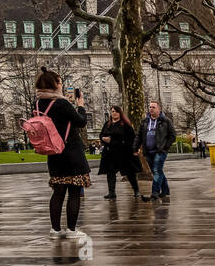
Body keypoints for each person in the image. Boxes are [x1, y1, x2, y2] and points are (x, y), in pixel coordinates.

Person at [33, 69, 91, 240]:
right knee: (74, 191)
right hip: (71, 151)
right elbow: (81, 122)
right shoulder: (62, 104)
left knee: (58, 192)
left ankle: (55, 229)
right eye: (59, 82)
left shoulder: (38, 104)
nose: (62, 85)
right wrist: (80, 106)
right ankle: (72, 230)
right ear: (54, 85)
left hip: (53, 152)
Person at [135, 100, 176, 202]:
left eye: (153, 107)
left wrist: (165, 147)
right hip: (148, 151)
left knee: (157, 170)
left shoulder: (166, 121)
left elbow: (172, 135)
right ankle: (165, 190)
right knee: (157, 171)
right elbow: (139, 136)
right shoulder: (145, 121)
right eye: (150, 107)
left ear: (159, 109)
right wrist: (135, 147)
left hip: (160, 151)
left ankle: (154, 192)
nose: (151, 109)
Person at [98, 105, 139, 199]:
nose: (114, 113)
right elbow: (101, 135)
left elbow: (131, 138)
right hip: (109, 153)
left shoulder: (125, 125)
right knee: (110, 172)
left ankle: (136, 190)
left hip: (122, 153)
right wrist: (104, 139)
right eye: (112, 111)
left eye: (116, 111)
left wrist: (113, 140)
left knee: (129, 172)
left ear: (120, 113)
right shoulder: (107, 124)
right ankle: (111, 192)